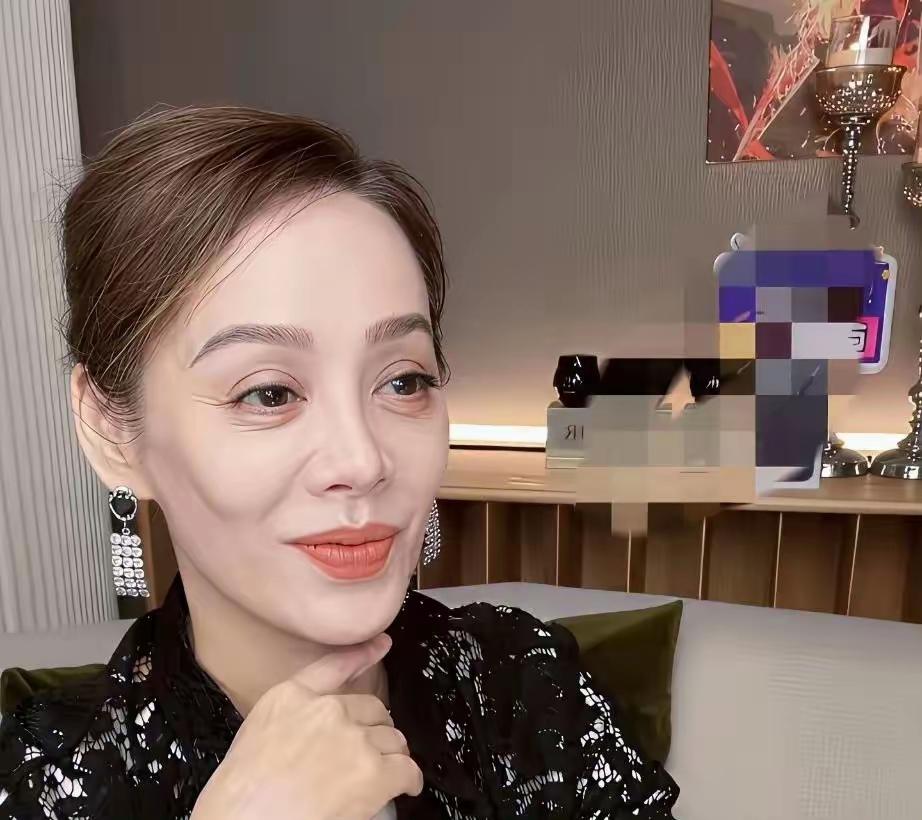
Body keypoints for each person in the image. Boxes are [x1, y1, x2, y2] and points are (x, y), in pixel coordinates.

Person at [0, 106, 679, 819]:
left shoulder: (523, 687)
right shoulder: (39, 786)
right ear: (111, 430)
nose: (362, 460)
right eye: (268, 393)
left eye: (404, 381)